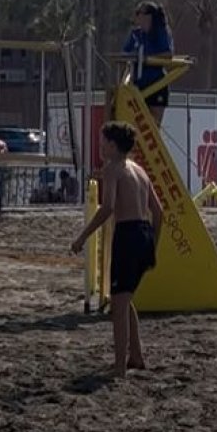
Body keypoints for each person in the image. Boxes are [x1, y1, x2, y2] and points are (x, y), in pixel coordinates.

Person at [70, 121, 163, 378]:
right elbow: (159, 212)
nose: (100, 147)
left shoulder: (113, 169)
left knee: (118, 307)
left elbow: (108, 207)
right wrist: (153, 243)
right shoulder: (139, 170)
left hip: (128, 235)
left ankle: (120, 367)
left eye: (102, 142)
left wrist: (82, 237)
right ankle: (136, 356)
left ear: (113, 145)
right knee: (125, 298)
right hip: (144, 233)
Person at [122, 1, 174, 125]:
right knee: (136, 124)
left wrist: (147, 58)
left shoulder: (160, 32)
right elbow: (125, 53)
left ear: (148, 16)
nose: (135, 17)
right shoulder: (135, 34)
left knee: (153, 126)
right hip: (137, 85)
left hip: (156, 83)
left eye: (138, 13)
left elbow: (168, 54)